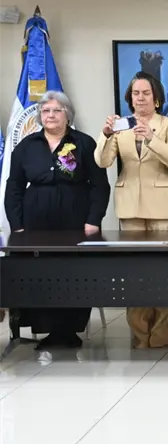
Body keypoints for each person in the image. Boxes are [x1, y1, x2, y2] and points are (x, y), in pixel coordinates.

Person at [4, 91, 110, 349]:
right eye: (45, 111)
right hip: (35, 223)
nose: (50, 115)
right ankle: (49, 329)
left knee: (74, 273)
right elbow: (14, 187)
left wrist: (94, 219)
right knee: (41, 274)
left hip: (76, 221)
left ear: (67, 115)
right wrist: (17, 225)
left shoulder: (84, 144)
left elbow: (99, 186)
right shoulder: (27, 146)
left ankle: (70, 329)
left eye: (56, 110)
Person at [95, 71, 168, 349]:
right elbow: (102, 161)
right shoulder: (121, 125)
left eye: (146, 93)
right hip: (129, 205)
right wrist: (106, 135)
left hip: (161, 206)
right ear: (130, 98)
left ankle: (162, 334)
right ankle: (140, 334)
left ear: (156, 99)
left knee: (163, 270)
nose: (141, 98)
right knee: (134, 270)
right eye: (136, 93)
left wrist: (152, 139)